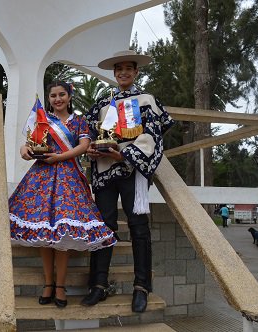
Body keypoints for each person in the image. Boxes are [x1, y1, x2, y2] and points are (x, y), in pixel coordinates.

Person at [9, 81, 117, 308]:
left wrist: (60, 157)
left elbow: (84, 145)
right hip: (42, 178)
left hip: (69, 178)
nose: (57, 99)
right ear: (48, 98)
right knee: (44, 234)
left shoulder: (79, 121)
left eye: (62, 95)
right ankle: (48, 283)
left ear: (69, 96)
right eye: (53, 95)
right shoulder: (43, 120)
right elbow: (28, 144)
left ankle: (60, 285)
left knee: (63, 235)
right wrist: (25, 151)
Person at [81, 50, 174, 313]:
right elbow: (88, 132)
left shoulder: (146, 100)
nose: (123, 72)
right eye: (118, 68)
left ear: (135, 72)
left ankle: (141, 286)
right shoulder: (102, 103)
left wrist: (124, 153)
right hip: (104, 170)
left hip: (131, 168)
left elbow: (154, 132)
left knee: (138, 227)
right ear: (114, 73)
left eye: (128, 69)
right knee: (105, 225)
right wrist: (88, 146)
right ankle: (98, 285)